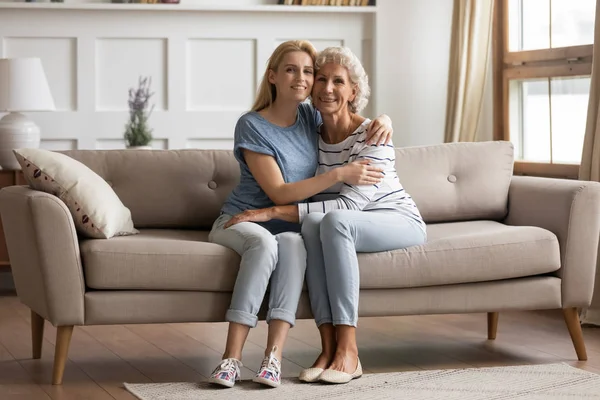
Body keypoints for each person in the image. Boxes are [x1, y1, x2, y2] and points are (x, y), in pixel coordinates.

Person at [225, 46, 427, 385]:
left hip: (396, 219)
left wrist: (274, 211)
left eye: (338, 81)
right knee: (316, 223)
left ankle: (349, 349)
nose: (327, 88)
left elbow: (347, 208)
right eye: (321, 79)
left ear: (353, 92)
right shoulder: (311, 129)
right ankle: (328, 347)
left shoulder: (373, 137)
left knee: (331, 220)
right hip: (342, 224)